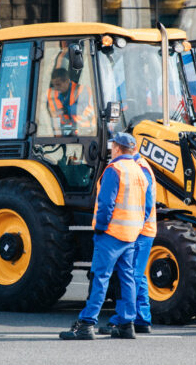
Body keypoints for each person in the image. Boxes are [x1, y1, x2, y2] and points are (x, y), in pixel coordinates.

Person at [61, 132, 144, 340]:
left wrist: (99, 227)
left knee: (101, 278)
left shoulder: (114, 170)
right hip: (131, 234)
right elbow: (146, 204)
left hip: (111, 234)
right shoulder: (139, 171)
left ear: (116, 148)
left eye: (113, 146)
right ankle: (127, 324)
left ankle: (87, 323)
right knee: (127, 278)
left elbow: (106, 204)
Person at [100, 149, 157, 336]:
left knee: (129, 276)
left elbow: (146, 203)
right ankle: (142, 319)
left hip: (139, 230)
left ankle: (121, 319)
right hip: (143, 229)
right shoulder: (142, 166)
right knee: (137, 276)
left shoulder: (139, 168)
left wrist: (135, 226)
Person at [47, 68, 96, 136]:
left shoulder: (83, 90)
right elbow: (56, 116)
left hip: (89, 130)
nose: (55, 88)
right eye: (53, 85)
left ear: (67, 81)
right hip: (72, 130)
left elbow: (80, 109)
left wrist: (65, 110)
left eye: (58, 84)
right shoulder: (56, 94)